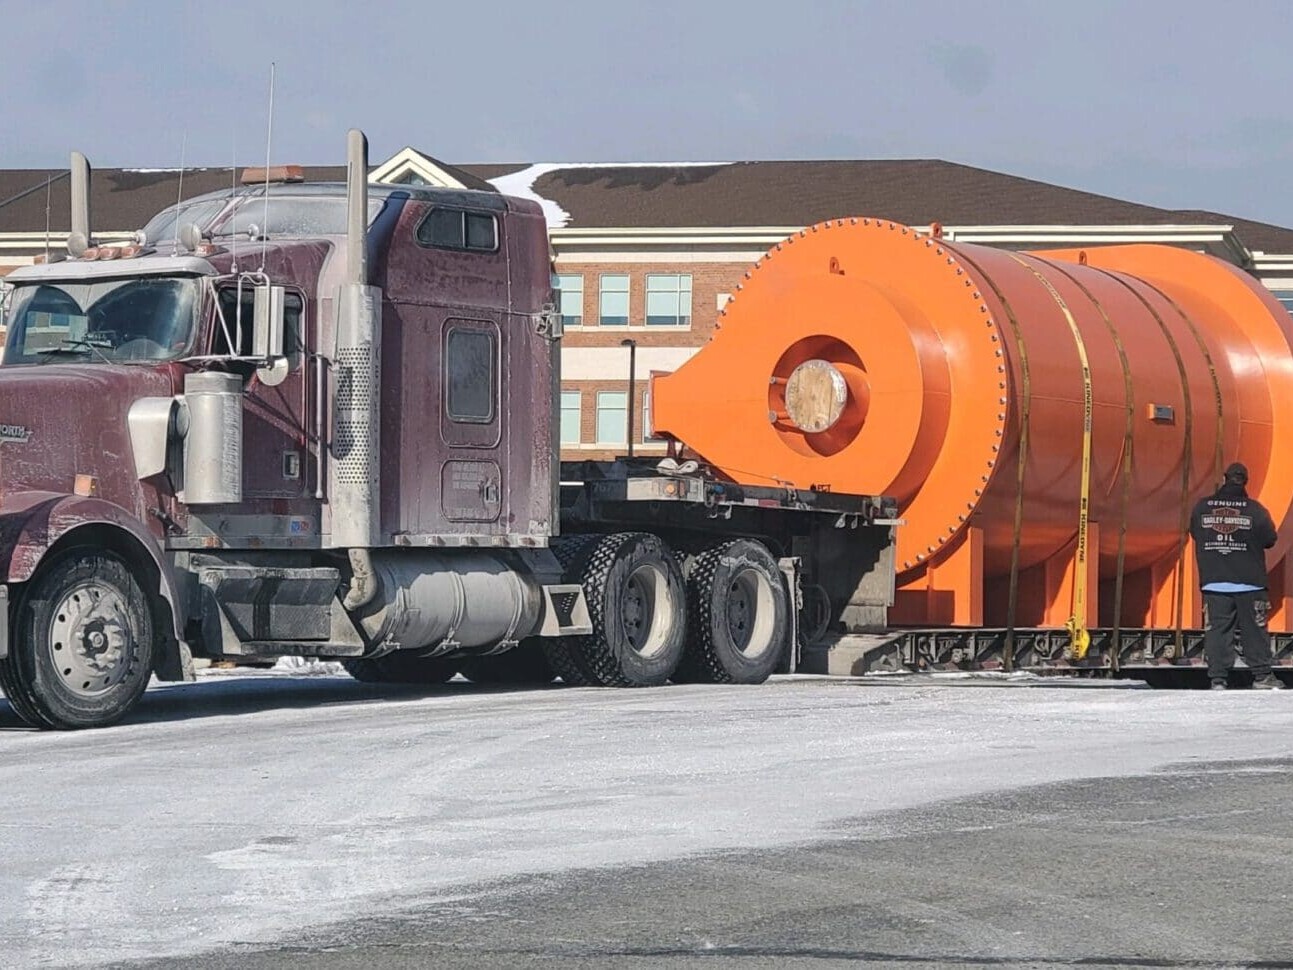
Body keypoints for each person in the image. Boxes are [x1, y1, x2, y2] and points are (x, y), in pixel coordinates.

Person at [1189, 462, 1285, 690]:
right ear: (1245, 482)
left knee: (1218, 630)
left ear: (1224, 479)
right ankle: (1262, 676)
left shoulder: (1202, 507)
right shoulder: (1255, 510)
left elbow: (1194, 532)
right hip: (1249, 582)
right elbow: (1270, 539)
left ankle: (1218, 678)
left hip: (1215, 581)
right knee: (1254, 630)